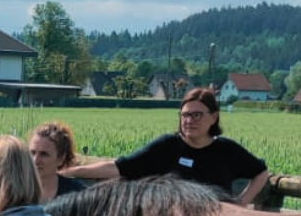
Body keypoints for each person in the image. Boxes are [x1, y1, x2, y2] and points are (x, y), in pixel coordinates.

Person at [63, 87, 270, 206]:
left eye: (196, 115)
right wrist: (73, 171)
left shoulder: (227, 150)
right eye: (185, 115)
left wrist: (242, 202)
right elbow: (119, 167)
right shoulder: (167, 147)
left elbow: (260, 172)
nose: (189, 120)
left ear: (213, 117)